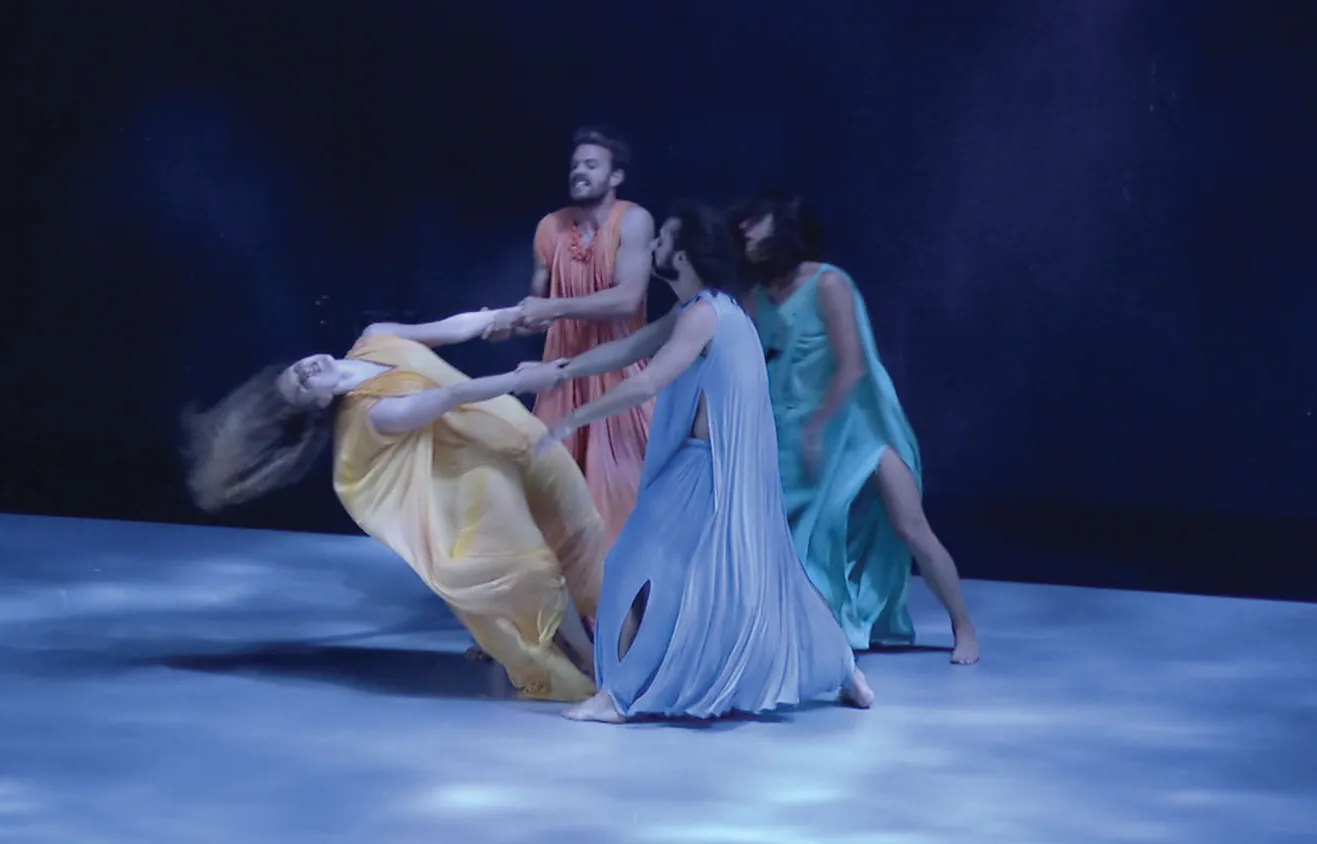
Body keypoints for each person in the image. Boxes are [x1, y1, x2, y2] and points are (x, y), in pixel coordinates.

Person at [524, 201, 874, 723]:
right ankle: (842, 667)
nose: (654, 247)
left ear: (682, 255)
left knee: (653, 571)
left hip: (707, 472)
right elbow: (629, 351)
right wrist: (561, 370)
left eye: (662, 239)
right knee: (767, 581)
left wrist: (571, 420)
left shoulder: (708, 314)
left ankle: (620, 697)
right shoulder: (697, 310)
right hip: (701, 467)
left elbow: (645, 380)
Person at [182, 306, 605, 702]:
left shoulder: (375, 339)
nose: (307, 370)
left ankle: (589, 624)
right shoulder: (372, 415)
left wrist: (504, 315)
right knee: (532, 566)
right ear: (318, 404)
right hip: (474, 476)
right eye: (304, 385)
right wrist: (519, 378)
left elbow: (449, 329)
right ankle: (587, 655)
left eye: (298, 369)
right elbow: (446, 398)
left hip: (511, 432)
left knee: (572, 522)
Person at [732, 192, 980, 664]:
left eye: (755, 222)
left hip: (859, 429)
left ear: (783, 226)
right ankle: (796, 637)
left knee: (911, 526)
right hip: (795, 432)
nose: (745, 231)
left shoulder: (828, 284)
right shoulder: (757, 297)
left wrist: (818, 427)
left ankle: (963, 625)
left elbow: (852, 366)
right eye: (741, 224)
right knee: (791, 538)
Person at [488, 127, 656, 555]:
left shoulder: (633, 220)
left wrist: (553, 310)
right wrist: (513, 323)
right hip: (560, 375)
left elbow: (626, 298)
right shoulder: (550, 228)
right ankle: (564, 615)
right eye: (575, 164)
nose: (579, 171)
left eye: (591, 165)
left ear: (615, 177)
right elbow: (540, 309)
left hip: (618, 374)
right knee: (551, 494)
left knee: (619, 498)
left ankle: (621, 614)